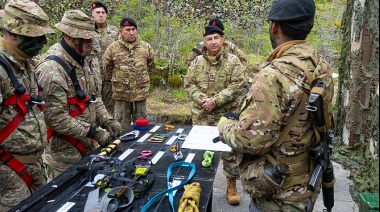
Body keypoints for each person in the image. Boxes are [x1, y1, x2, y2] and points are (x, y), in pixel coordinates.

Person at [217, 0, 334, 211]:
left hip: (277, 195)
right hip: (306, 186)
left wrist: (224, 125)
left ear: (275, 26)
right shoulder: (321, 65)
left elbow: (250, 141)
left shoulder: (273, 76)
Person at [35, 10, 121, 180]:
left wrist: (106, 119)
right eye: (86, 39)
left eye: (92, 37)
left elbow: (93, 97)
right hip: (64, 156)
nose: (91, 42)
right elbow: (54, 117)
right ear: (69, 36)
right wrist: (92, 132)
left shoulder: (85, 59)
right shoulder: (51, 69)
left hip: (88, 146)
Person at [0, 0, 54, 210]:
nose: (42, 42)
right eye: (35, 37)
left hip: (34, 164)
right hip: (8, 170)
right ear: (13, 33)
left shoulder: (24, 63)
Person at [184, 25, 246, 205]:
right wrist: (203, 99)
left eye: (216, 38)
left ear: (223, 40)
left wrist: (216, 100)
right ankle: (196, 185)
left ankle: (231, 185)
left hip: (226, 116)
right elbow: (189, 84)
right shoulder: (196, 62)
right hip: (202, 114)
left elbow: (238, 84)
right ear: (204, 41)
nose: (213, 42)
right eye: (209, 39)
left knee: (230, 152)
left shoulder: (233, 61)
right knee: (200, 152)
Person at [103, 17, 156, 129]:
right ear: (121, 31)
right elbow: (107, 67)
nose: (131, 33)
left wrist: (142, 79)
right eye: (128, 30)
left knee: (141, 124)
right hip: (121, 93)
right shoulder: (113, 48)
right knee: (122, 125)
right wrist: (117, 80)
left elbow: (152, 65)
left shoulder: (145, 47)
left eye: (133, 29)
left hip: (140, 92)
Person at [91, 2, 119, 115]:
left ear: (106, 15)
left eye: (103, 12)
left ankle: (109, 129)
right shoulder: (87, 31)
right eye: (98, 12)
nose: (101, 15)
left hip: (109, 75)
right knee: (93, 105)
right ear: (92, 14)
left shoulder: (114, 32)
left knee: (109, 107)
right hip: (92, 75)